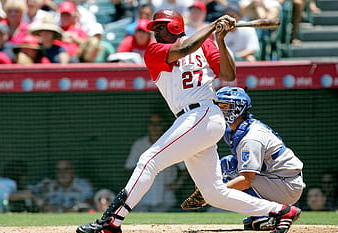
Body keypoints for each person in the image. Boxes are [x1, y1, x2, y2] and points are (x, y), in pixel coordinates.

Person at [76, 9, 302, 233]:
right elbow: (184, 48)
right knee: (214, 193)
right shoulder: (155, 49)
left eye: (160, 26)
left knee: (148, 160)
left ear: (175, 26)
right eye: (155, 27)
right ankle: (280, 210)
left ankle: (112, 221)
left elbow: (229, 74)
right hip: (193, 120)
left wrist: (220, 40)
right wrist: (213, 26)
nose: (155, 31)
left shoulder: (206, 43)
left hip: (203, 114)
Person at [181, 86, 306, 231]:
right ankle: (261, 217)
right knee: (226, 165)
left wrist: (213, 193)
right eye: (219, 106)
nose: (220, 110)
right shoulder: (237, 129)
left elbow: (246, 180)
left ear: (238, 108)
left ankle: (266, 216)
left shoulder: (250, 138)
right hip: (276, 178)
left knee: (229, 177)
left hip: (286, 185)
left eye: (225, 106)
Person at [124, 113, 187, 212]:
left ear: (164, 125)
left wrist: (177, 184)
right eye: (151, 123)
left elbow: (185, 168)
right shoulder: (139, 144)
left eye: (158, 123)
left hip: (166, 195)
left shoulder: (171, 143)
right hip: (143, 196)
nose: (154, 127)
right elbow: (129, 168)